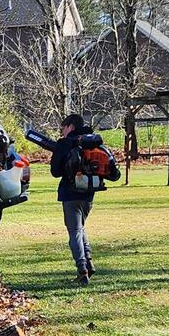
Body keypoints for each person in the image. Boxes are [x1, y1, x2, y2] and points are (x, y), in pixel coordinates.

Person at [49, 113, 109, 286]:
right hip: (89, 193)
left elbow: (55, 172)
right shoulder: (93, 142)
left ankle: (82, 270)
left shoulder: (65, 143)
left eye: (63, 128)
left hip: (70, 193)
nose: (62, 132)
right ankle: (88, 262)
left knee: (74, 231)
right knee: (80, 228)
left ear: (71, 127)